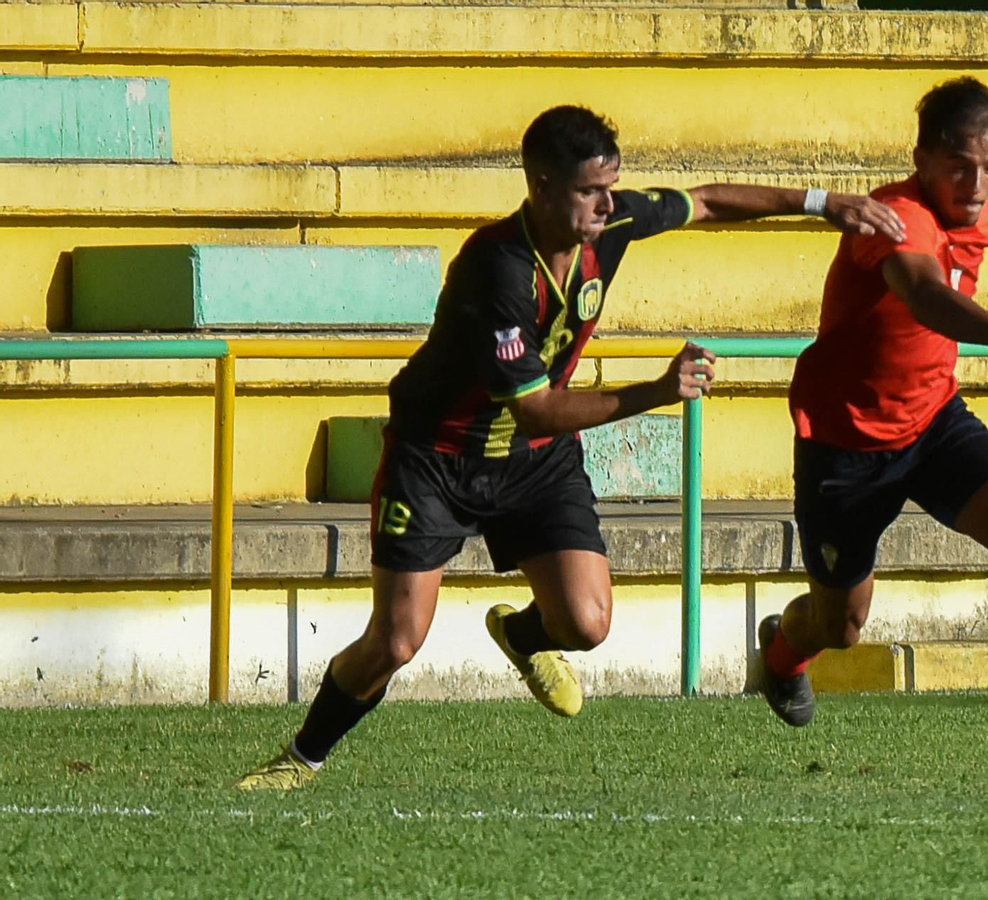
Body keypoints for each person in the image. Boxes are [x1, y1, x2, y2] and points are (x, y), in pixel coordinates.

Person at [236, 105, 904, 791]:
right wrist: (656, 390)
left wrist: (823, 204)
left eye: (612, 186)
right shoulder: (493, 267)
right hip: (439, 457)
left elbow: (703, 203)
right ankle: (301, 758)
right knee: (397, 641)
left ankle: (523, 637)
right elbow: (531, 409)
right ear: (542, 184)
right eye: (592, 190)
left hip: (535, 462)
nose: (608, 203)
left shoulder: (608, 224)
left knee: (587, 624)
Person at [755, 78, 988, 795]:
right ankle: (784, 654)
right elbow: (921, 290)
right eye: (960, 165)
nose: (977, 184)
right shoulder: (896, 215)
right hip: (846, 440)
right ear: (922, 159)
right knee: (840, 625)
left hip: (935, 418)